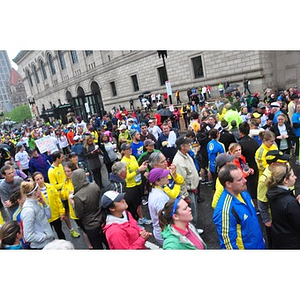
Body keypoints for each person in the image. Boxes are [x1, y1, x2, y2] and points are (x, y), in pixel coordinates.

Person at [212, 164, 265, 249]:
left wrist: (259, 238)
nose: (245, 181)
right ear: (228, 184)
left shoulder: (243, 192)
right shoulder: (224, 210)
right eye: (240, 179)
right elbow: (228, 245)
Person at [257, 150, 290, 249]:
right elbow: (262, 202)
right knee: (275, 243)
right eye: (282, 162)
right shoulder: (264, 179)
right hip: (274, 219)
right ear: (273, 164)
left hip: (285, 213)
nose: (285, 164)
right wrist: (267, 221)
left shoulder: (283, 170)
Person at [71, 168, 108, 249]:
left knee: (97, 247)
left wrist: (73, 204)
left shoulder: (77, 196)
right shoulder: (94, 186)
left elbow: (79, 215)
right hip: (101, 220)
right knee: (108, 242)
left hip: (90, 225)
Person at [266, 165, 300, 249]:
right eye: (292, 176)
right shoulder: (289, 202)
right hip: (292, 242)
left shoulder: (272, 193)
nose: (295, 177)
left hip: (279, 237)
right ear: (285, 180)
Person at [120, 142, 151, 225]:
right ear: (123, 151)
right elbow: (127, 176)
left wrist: (142, 166)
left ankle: (141, 218)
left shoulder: (133, 157)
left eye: (130, 148)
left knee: (139, 203)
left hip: (138, 183)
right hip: (131, 186)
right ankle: (135, 223)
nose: (130, 150)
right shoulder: (123, 162)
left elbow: (137, 168)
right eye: (127, 149)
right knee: (133, 206)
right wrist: (139, 170)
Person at [172, 137, 200, 227]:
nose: (190, 145)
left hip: (193, 189)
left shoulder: (186, 155)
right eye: (188, 144)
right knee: (190, 213)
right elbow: (180, 181)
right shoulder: (178, 161)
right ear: (182, 146)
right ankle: (192, 230)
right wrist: (185, 195)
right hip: (188, 192)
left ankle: (193, 228)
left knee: (194, 210)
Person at [32, 171, 68, 240]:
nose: (40, 181)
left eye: (41, 178)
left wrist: (61, 212)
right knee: (50, 236)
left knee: (59, 231)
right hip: (45, 218)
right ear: (34, 181)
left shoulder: (51, 187)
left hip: (55, 215)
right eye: (37, 179)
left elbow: (58, 200)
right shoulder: (35, 192)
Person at [20, 180, 55, 249]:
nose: (40, 190)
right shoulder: (28, 211)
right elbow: (28, 236)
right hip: (41, 246)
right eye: (39, 189)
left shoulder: (36, 202)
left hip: (49, 241)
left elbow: (48, 216)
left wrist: (44, 204)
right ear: (35, 192)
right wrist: (46, 237)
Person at [147, 168, 173, 246]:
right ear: (157, 182)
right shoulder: (160, 198)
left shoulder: (155, 190)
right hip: (165, 233)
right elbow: (165, 217)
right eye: (164, 177)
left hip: (160, 231)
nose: (168, 177)